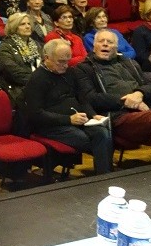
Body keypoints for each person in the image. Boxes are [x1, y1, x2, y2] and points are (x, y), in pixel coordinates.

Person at [75, 31, 151, 164]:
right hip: (116, 116)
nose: (105, 44)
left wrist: (139, 93)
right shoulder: (84, 68)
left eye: (110, 42)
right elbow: (91, 98)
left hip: (142, 113)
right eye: (101, 41)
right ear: (93, 45)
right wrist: (126, 101)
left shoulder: (130, 63)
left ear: (116, 47)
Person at [20, 39, 113, 174]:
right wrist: (68, 120)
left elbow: (82, 98)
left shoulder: (70, 72)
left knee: (103, 133)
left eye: (67, 61)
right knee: (85, 139)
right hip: (51, 126)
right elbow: (36, 113)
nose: (65, 65)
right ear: (47, 58)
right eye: (61, 62)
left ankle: (105, 176)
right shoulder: (37, 79)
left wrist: (93, 114)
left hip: (77, 120)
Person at [0, 12, 41, 106]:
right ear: (14, 27)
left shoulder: (36, 44)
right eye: (23, 24)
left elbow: (46, 64)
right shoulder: (6, 46)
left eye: (29, 24)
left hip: (39, 84)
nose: (27, 26)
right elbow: (13, 72)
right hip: (19, 88)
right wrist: (38, 80)